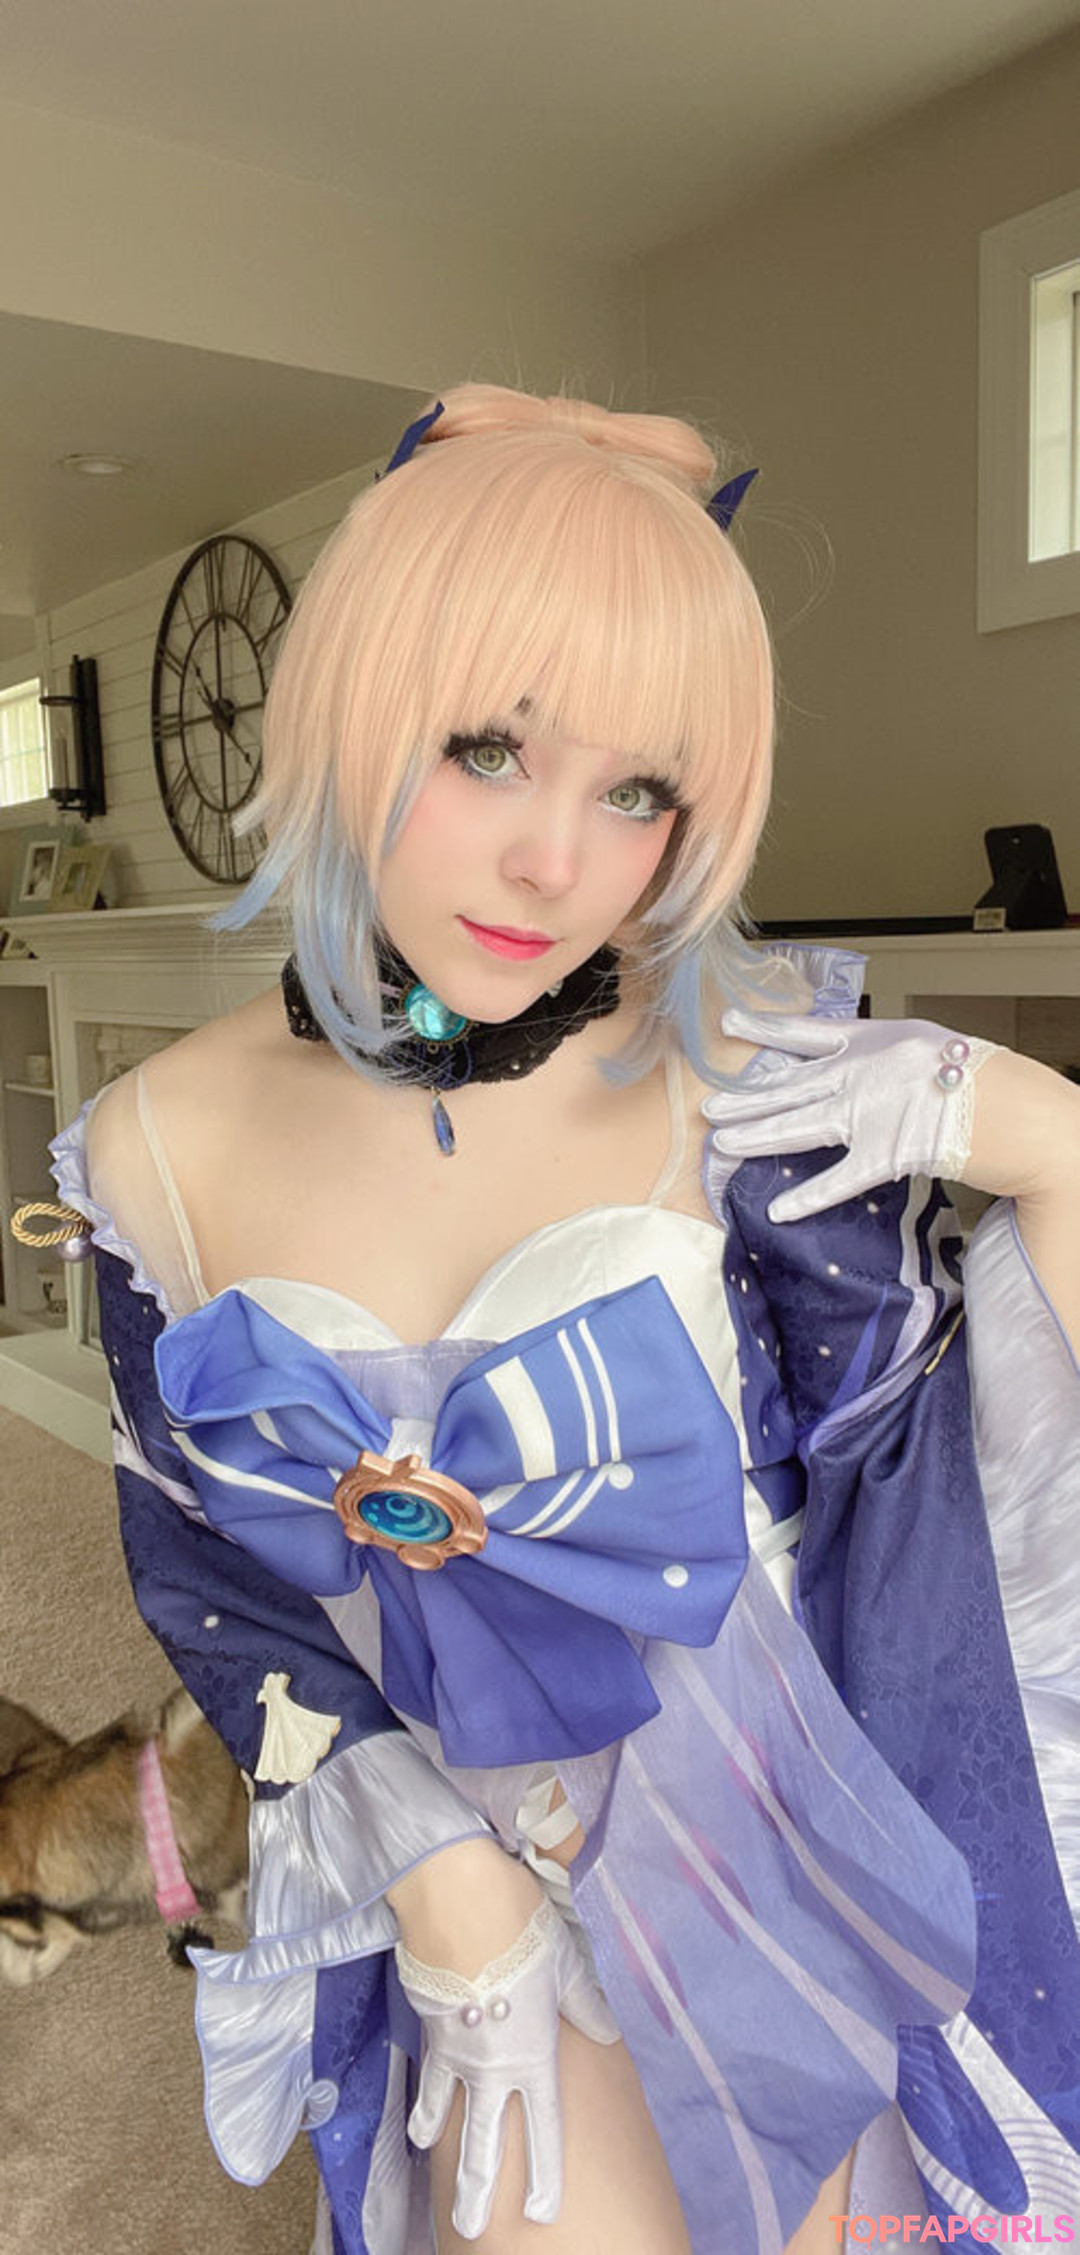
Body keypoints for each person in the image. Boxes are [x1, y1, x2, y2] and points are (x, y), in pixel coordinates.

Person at [50, 385, 1079, 2255]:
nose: (559, 864)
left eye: (639, 791)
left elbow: (966, 1511)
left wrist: (1051, 1142)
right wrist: (432, 1873)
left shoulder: (760, 1090)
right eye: (486, 748)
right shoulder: (146, 1149)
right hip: (469, 1887)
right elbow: (207, 1576)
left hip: (774, 1858)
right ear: (347, 703)